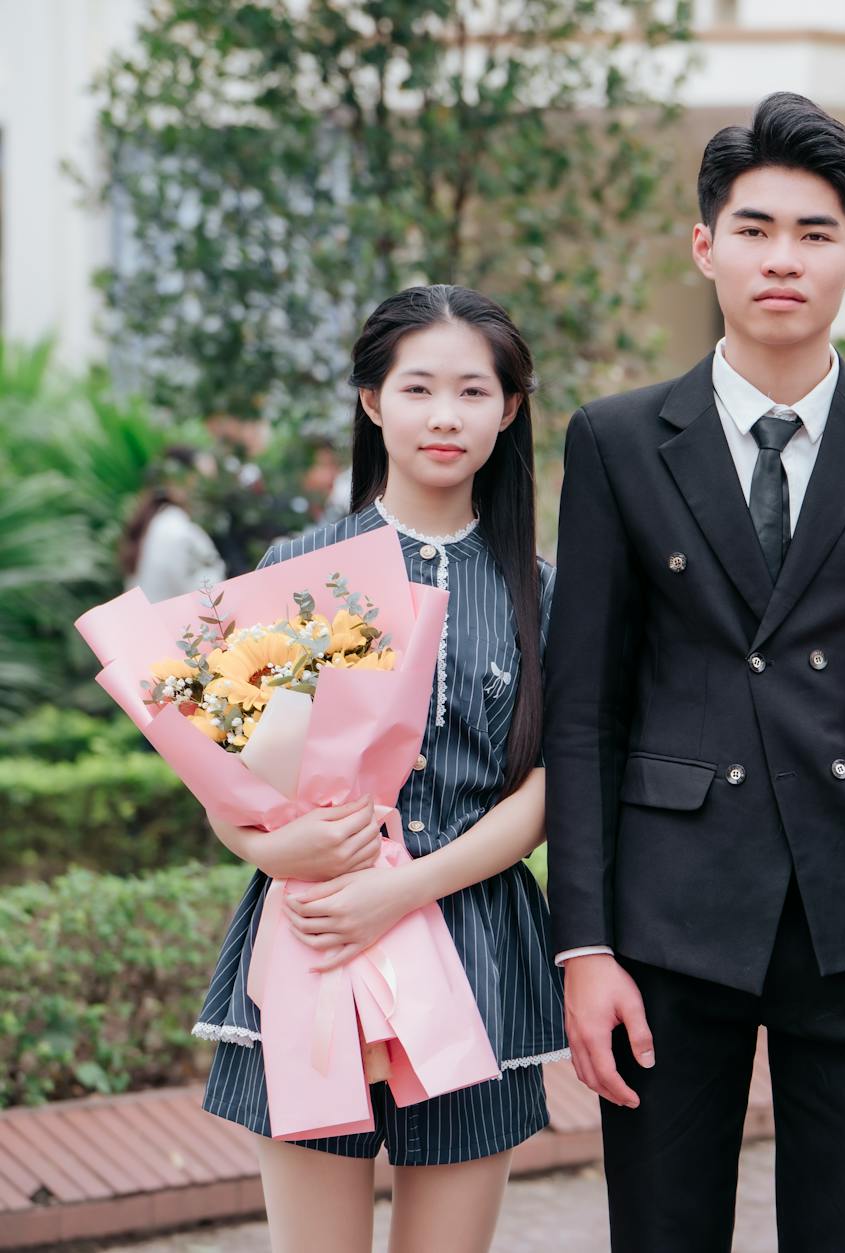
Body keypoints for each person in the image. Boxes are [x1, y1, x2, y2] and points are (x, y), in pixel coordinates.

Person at [543, 92, 845, 1252]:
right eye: (754, 227)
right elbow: (581, 707)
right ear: (705, 246)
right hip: (666, 914)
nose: (782, 257)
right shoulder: (618, 439)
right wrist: (583, 945)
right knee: (664, 1230)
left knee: (843, 1228)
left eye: (814, 232)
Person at [192, 284, 563, 1252]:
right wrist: (277, 845)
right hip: (313, 933)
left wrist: (404, 887)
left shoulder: (544, 587)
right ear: (371, 401)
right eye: (418, 387)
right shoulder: (295, 568)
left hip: (476, 940)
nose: (445, 415)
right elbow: (225, 774)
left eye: (473, 391)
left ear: (510, 408)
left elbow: (548, 788)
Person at [120, 446, 226, 601]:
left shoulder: (154, 523)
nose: (210, 490)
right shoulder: (180, 532)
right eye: (201, 480)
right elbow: (210, 598)